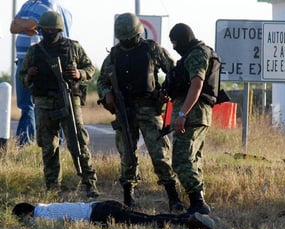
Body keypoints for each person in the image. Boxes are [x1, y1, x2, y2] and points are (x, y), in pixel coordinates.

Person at [97, 13, 184, 211]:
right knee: (127, 155)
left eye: (130, 38)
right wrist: (106, 94)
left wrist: (167, 91)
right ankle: (129, 198)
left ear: (138, 34)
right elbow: (102, 81)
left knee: (160, 154)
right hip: (124, 111)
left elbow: (173, 71)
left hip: (148, 109)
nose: (126, 42)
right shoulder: (113, 56)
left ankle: (174, 198)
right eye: (123, 39)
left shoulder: (152, 50)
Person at [19, 11, 99, 198]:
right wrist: (29, 74)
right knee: (49, 146)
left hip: (69, 100)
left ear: (59, 30)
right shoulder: (34, 51)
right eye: (44, 30)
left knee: (77, 142)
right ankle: (53, 186)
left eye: (51, 30)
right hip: (44, 103)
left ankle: (89, 183)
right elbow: (23, 78)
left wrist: (79, 73)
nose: (48, 33)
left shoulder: (73, 47)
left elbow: (90, 68)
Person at [165, 23, 220, 215]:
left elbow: (197, 85)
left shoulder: (197, 54)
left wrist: (182, 114)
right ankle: (198, 201)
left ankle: (198, 202)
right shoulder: (196, 53)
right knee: (193, 159)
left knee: (181, 160)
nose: (174, 47)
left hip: (192, 114)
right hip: (197, 114)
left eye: (175, 43)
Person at [10, 0, 72, 147]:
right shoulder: (28, 4)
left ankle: (32, 143)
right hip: (22, 60)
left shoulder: (48, 4)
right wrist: (25, 24)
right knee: (25, 105)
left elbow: (29, 25)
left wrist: (21, 23)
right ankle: (26, 143)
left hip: (38, 61)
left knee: (39, 105)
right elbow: (12, 27)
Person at [12, 200, 215, 229]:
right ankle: (184, 217)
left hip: (99, 214)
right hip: (102, 205)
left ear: (28, 215)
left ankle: (187, 222)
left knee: (145, 222)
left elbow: (41, 226)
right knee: (144, 217)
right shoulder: (46, 206)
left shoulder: (42, 218)